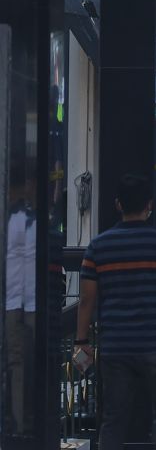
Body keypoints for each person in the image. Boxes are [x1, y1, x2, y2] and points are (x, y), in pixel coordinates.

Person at [75, 174, 156, 450]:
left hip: (115, 348)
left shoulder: (98, 246)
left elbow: (86, 300)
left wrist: (81, 342)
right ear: (149, 205)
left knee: (114, 420)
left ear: (118, 205)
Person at [5, 179, 35, 435]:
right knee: (17, 361)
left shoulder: (35, 220)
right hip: (15, 299)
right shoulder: (11, 220)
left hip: (26, 300)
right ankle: (19, 423)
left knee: (26, 361)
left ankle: (25, 422)